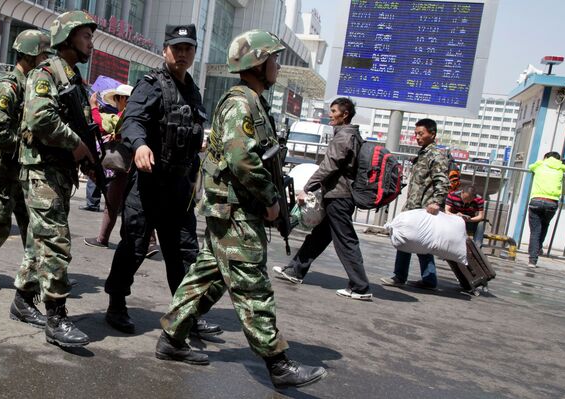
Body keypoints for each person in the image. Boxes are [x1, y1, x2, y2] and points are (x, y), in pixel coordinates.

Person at [154, 29, 327, 389]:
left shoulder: (253, 102)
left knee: (207, 278)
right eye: (274, 60)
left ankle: (171, 339)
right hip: (235, 211)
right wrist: (269, 200)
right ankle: (277, 362)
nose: (278, 66)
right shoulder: (240, 104)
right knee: (252, 284)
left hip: (232, 209)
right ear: (258, 63)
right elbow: (243, 160)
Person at [103, 24, 221, 337]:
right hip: (148, 185)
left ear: (194, 52)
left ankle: (186, 314)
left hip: (179, 190)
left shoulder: (193, 91)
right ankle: (116, 304)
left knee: (184, 254)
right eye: (176, 47)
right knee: (135, 245)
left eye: (187, 48)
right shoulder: (152, 84)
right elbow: (133, 120)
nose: (182, 53)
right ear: (164, 50)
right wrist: (140, 145)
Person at [12, 11, 97, 347]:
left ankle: (21, 300)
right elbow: (40, 117)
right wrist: (76, 145)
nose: (91, 42)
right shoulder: (47, 73)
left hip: (59, 174)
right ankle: (56, 317)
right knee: (56, 243)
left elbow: (79, 128)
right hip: (41, 172)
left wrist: (89, 160)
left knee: (40, 244)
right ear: (68, 37)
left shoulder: (73, 79)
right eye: (86, 36)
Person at [0, 30, 53, 291]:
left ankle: (38, 272)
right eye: (42, 55)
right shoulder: (8, 86)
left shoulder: (31, 85)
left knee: (38, 220)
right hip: (5, 166)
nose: (45, 61)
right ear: (29, 55)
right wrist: (26, 144)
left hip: (26, 168)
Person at [272, 98, 372, 301]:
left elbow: (329, 167)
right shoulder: (351, 135)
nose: (330, 114)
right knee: (319, 237)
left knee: (345, 241)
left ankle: (360, 287)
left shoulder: (344, 136)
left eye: (333, 111)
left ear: (344, 115)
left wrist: (307, 188)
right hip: (338, 195)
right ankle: (295, 270)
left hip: (340, 196)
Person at [381, 118, 449, 290]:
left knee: (417, 242)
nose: (417, 137)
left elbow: (442, 181)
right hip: (413, 205)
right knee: (409, 239)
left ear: (432, 134)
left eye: (421, 133)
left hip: (424, 207)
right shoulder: (423, 153)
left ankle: (413, 277)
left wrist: (436, 202)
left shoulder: (435, 155)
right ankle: (420, 278)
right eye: (416, 134)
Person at [83, 84, 133, 248]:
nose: (117, 102)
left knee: (113, 203)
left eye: (118, 99)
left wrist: (94, 107)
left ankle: (102, 238)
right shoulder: (136, 118)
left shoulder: (124, 116)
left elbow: (100, 123)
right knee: (131, 205)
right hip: (132, 167)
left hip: (125, 166)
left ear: (124, 99)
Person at [527, 151, 565, 267]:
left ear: (545, 158)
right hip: (552, 202)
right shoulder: (561, 169)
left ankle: (532, 260)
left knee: (535, 231)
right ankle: (538, 248)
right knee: (545, 225)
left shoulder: (539, 165)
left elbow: (530, 167)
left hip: (536, 200)